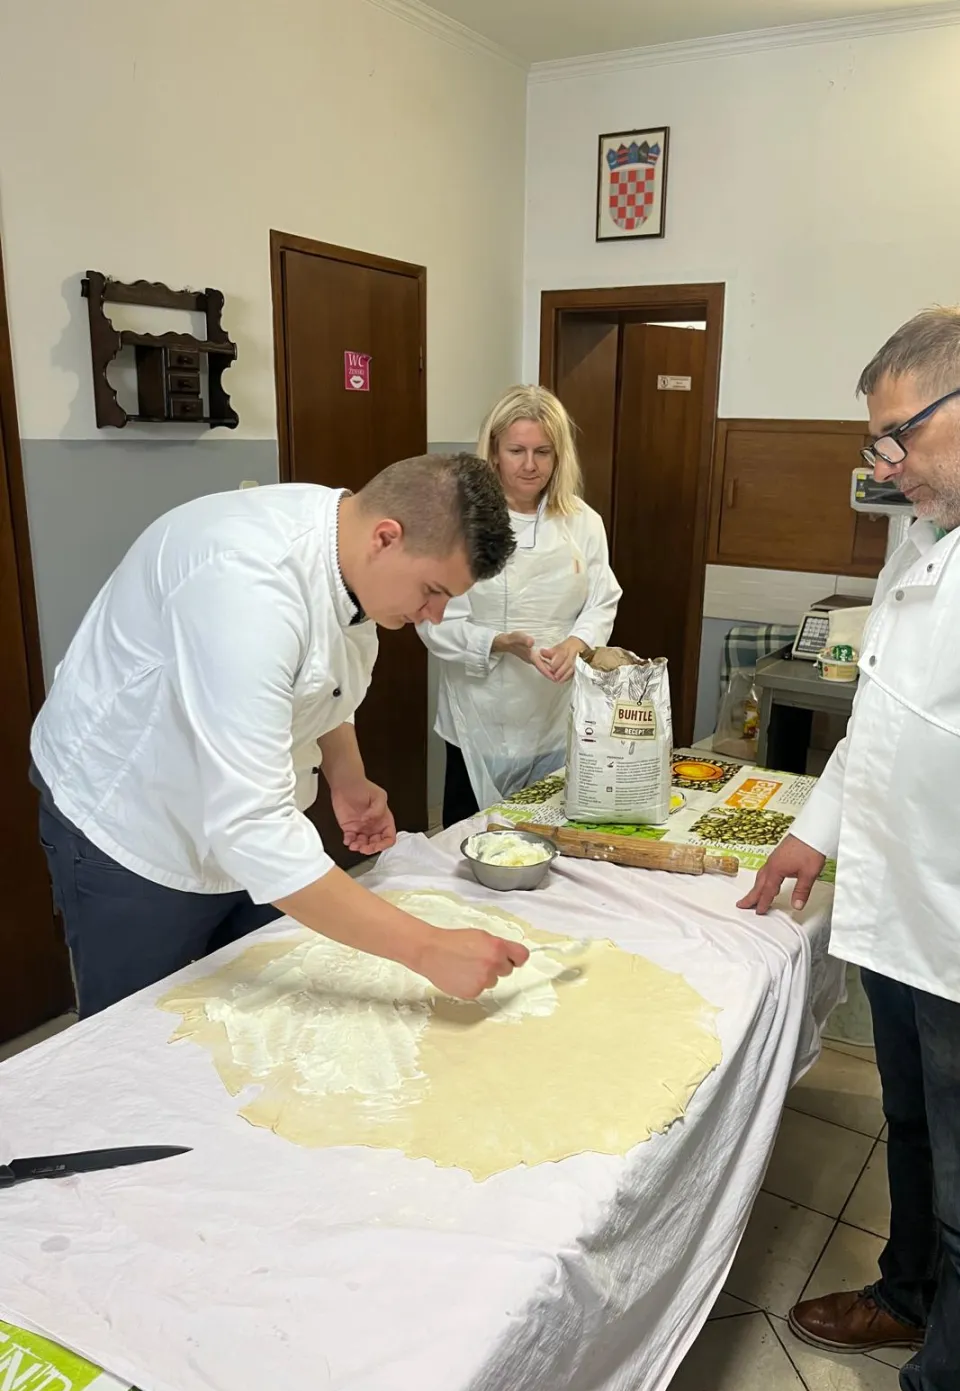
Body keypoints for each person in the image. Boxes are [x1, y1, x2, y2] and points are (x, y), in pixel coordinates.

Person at [740, 304, 960, 1391]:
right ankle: (906, 1296)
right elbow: (883, 716)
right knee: (915, 1134)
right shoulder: (938, 535)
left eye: (900, 435)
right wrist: (813, 832)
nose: (886, 464)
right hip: (900, 925)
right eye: (875, 442)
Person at [31, 453, 529, 1018]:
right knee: (145, 1034)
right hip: (132, 826)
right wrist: (429, 948)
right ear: (386, 538)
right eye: (433, 590)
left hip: (241, 819)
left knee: (258, 1014)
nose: (435, 615)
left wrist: (346, 773)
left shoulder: (347, 540)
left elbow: (315, 668)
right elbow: (252, 826)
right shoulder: (246, 585)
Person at [419, 385, 621, 827]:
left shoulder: (583, 522)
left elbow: (602, 599)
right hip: (479, 713)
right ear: (493, 452)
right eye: (517, 450)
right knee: (472, 838)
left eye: (543, 452)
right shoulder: (458, 523)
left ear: (559, 456)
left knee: (547, 834)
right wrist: (498, 642)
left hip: (553, 711)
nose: (530, 465)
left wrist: (578, 642)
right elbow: (433, 620)